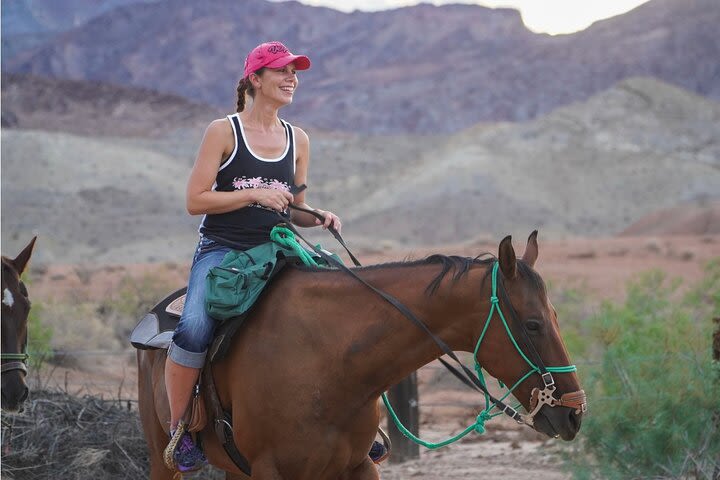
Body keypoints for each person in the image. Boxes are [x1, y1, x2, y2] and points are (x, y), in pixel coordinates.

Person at [164, 41, 355, 472]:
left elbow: (294, 208)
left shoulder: (298, 139)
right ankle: (182, 430)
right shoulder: (223, 131)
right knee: (193, 328)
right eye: (281, 71)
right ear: (255, 79)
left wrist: (318, 216)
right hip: (224, 250)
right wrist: (252, 193)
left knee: (350, 302)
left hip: (280, 249)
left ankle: (361, 426)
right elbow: (195, 201)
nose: (292, 79)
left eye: (295, 72)